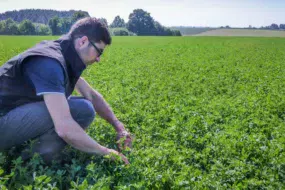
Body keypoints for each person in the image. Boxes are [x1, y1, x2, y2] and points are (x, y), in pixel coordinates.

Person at [0, 17, 132, 165]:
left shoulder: (65, 55)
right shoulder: (50, 62)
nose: (98, 59)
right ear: (83, 42)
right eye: (99, 52)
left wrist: (118, 126)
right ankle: (25, 158)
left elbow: (92, 96)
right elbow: (64, 127)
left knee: (84, 109)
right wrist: (105, 152)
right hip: (3, 118)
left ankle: (27, 152)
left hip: (12, 114)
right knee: (79, 110)